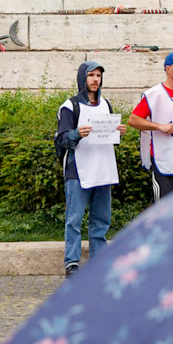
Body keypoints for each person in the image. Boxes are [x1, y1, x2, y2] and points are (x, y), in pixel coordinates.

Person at [57, 61, 118, 274]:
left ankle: (99, 260)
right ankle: (72, 262)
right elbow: (62, 138)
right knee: (74, 219)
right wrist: (77, 133)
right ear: (83, 78)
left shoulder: (106, 104)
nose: (95, 80)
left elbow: (107, 134)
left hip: (103, 167)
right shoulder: (70, 106)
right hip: (78, 170)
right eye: (91, 75)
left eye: (98, 76)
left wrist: (117, 130)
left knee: (101, 219)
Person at [127, 52, 173, 202]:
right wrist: (159, 127)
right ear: (167, 69)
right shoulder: (154, 94)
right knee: (164, 211)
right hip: (164, 161)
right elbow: (133, 120)